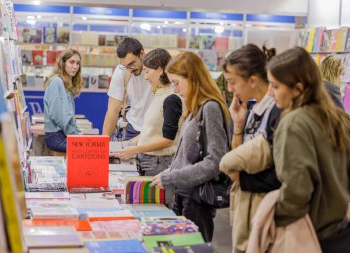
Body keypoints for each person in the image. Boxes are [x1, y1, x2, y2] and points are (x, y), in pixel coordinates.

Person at [266, 47, 350, 250]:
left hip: (306, 232)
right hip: (338, 229)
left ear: (297, 88)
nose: (270, 92)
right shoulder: (337, 117)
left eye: (275, 86)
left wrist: (273, 219)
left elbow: (297, 189)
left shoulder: (294, 122)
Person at [150, 51, 231, 242]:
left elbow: (215, 162)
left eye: (177, 83)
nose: (175, 90)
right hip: (184, 194)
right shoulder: (196, 108)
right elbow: (187, 156)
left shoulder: (210, 108)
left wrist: (172, 176)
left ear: (193, 78)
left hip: (197, 199)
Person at [221, 44, 281, 253]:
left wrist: (243, 179)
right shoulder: (253, 110)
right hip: (247, 205)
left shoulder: (277, 111)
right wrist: (238, 124)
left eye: (232, 82)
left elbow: (283, 173)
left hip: (266, 209)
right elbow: (238, 153)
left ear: (253, 80)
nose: (230, 90)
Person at [114, 48, 183, 177]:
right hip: (150, 162)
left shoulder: (171, 98)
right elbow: (150, 131)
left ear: (160, 70)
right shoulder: (159, 94)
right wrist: (128, 144)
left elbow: (168, 140)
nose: (145, 77)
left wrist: (136, 149)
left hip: (159, 164)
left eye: (147, 71)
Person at [102, 37, 153, 140]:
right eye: (125, 66)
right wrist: (103, 144)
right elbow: (112, 110)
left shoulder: (156, 68)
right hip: (132, 128)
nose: (129, 69)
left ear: (142, 54)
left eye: (132, 64)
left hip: (154, 130)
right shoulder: (121, 71)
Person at [43, 49, 84, 153]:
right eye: (71, 62)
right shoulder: (57, 82)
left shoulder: (65, 84)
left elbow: (68, 117)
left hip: (61, 134)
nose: (75, 67)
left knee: (89, 146)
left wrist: (77, 133)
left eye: (77, 63)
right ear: (63, 63)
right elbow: (59, 117)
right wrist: (75, 135)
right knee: (85, 150)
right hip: (55, 137)